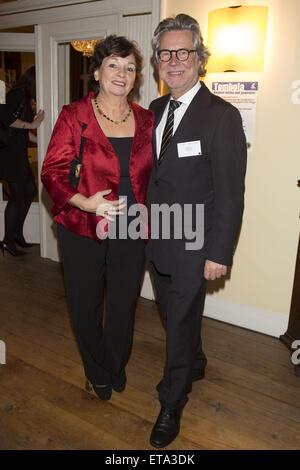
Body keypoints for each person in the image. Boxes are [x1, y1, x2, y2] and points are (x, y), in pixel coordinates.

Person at [146, 14, 247, 447]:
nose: (174, 61)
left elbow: (230, 194)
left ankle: (172, 400)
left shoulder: (221, 117)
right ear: (157, 61)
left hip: (195, 242)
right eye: (165, 53)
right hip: (154, 237)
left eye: (183, 52)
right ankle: (196, 360)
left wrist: (219, 252)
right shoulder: (151, 111)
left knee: (181, 320)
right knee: (172, 315)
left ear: (200, 59)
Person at [41, 35, 154, 401]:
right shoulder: (74, 116)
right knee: (85, 304)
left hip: (133, 226)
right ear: (96, 72)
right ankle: (96, 369)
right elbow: (52, 171)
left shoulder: (147, 119)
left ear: (137, 77)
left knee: (124, 304)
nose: (122, 73)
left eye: (130, 67)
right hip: (83, 227)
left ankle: (114, 362)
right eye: (113, 65)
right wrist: (84, 203)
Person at [0, 66, 45, 256]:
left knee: (29, 191)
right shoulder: (17, 94)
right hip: (10, 155)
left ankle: (16, 234)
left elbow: (20, 130)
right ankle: (8, 241)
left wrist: (40, 140)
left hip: (17, 153)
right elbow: (6, 119)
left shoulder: (24, 97)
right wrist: (33, 124)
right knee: (18, 196)